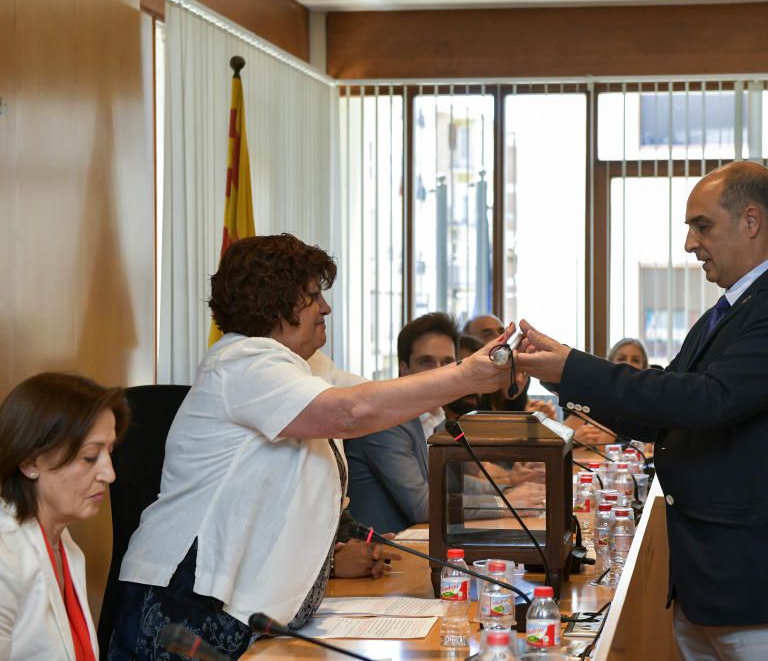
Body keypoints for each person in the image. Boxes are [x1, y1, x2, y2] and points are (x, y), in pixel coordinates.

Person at [107, 234, 513, 659]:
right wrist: (467, 375)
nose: (326, 308)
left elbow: (382, 398)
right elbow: (351, 412)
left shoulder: (303, 367)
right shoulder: (243, 363)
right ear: (274, 302)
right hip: (188, 599)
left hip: (248, 610)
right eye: (314, 296)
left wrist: (484, 371)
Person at [517, 161, 768, 659]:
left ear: (752, 220)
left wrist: (575, 367)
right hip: (712, 586)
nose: (690, 244)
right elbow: (660, 412)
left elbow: (706, 401)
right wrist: (559, 372)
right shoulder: (733, 310)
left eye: (702, 226)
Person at [345, 313, 545, 533]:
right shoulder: (387, 422)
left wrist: (509, 490)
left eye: (447, 362)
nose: (439, 370)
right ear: (403, 368)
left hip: (422, 541)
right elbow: (422, 506)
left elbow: (453, 482)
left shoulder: (436, 415)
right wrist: (505, 503)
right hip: (385, 554)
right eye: (426, 362)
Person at [0, 373, 129, 661]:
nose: (110, 474)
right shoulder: (5, 556)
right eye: (89, 457)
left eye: (109, 453)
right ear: (31, 461)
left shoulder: (68, 549)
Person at [464, 313, 557, 419]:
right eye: (487, 335)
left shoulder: (516, 382)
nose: (499, 338)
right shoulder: (469, 396)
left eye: (501, 332)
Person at [565, 338, 650, 445]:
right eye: (621, 358)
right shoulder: (589, 397)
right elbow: (562, 441)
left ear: (644, 367)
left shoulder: (649, 404)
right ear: (609, 364)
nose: (628, 364)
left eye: (635, 360)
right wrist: (575, 441)